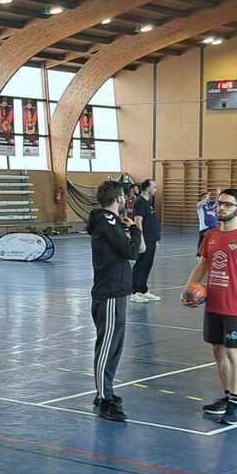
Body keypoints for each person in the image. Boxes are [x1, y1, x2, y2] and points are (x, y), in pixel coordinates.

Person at [184, 188, 237, 426]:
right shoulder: (210, 235)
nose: (221, 207)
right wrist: (189, 289)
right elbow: (202, 265)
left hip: (236, 306)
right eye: (219, 203)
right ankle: (227, 395)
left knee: (233, 353)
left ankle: (235, 405)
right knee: (218, 351)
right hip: (213, 305)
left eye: (228, 204)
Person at [88, 180, 142, 423]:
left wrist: (129, 229)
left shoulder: (112, 222)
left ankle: (106, 391)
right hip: (109, 293)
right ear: (119, 198)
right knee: (107, 347)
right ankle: (103, 398)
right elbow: (131, 251)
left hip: (118, 291)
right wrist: (136, 230)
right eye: (124, 196)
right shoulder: (106, 220)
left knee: (115, 347)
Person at [130, 179, 162, 302]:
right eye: (154, 187)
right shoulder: (140, 202)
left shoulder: (148, 202)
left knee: (147, 264)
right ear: (147, 188)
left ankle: (143, 290)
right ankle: (134, 292)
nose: (155, 189)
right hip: (145, 239)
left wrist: (155, 239)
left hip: (151, 239)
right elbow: (138, 222)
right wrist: (141, 240)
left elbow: (150, 221)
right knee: (141, 265)